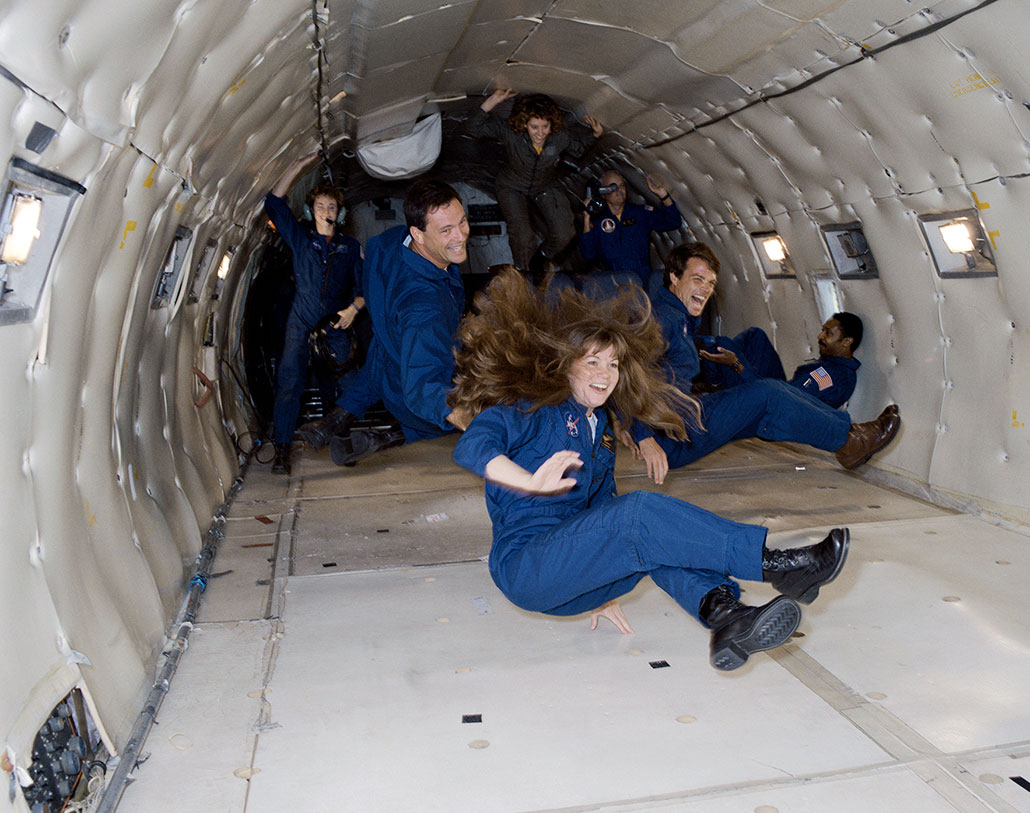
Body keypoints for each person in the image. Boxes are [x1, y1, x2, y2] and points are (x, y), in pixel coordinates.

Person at [448, 269, 851, 671]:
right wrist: (528, 481)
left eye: (614, 364)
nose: (605, 375)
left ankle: (725, 615)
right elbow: (473, 446)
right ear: (566, 365)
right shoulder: (530, 409)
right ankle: (777, 565)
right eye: (592, 362)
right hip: (528, 568)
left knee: (656, 536)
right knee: (639, 517)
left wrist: (596, 581)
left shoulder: (600, 429)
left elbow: (602, 514)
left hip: (574, 576)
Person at [626, 242, 899, 483]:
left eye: (710, 283)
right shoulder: (665, 318)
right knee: (769, 393)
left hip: (679, 417)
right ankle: (849, 441)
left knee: (768, 394)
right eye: (697, 279)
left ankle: (851, 435)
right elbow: (629, 370)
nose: (706, 289)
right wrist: (643, 436)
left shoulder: (678, 316)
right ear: (674, 277)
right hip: (672, 435)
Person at [295, 179, 471, 465]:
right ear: (419, 234)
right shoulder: (425, 307)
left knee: (387, 350)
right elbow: (423, 386)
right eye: (446, 230)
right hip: (410, 394)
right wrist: (470, 417)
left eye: (462, 222)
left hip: (386, 363)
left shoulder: (389, 244)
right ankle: (387, 438)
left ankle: (335, 419)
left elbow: (373, 252)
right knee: (441, 425)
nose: (461, 236)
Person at [264, 153, 364, 475]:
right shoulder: (301, 240)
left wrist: (353, 308)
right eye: (320, 206)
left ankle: (342, 440)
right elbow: (275, 203)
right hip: (302, 322)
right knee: (289, 382)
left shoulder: (350, 248)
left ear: (340, 212)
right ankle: (282, 450)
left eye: (331, 207)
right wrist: (296, 165)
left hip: (336, 323)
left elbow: (365, 290)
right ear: (310, 211)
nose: (326, 212)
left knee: (347, 382)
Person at [466, 88, 603, 273]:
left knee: (565, 234)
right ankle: (523, 271)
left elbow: (579, 149)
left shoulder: (559, 136)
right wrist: (492, 102)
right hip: (511, 186)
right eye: (534, 127)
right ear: (524, 125)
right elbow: (473, 128)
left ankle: (541, 259)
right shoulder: (511, 133)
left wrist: (595, 134)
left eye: (545, 127)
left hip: (544, 185)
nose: (540, 133)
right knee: (523, 236)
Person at [697, 313, 864, 408]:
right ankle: (718, 377)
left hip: (771, 406)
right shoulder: (831, 367)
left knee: (721, 344)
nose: (820, 336)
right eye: (823, 331)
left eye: (828, 333)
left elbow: (784, 398)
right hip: (782, 389)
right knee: (756, 336)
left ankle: (714, 383)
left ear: (847, 342)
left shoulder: (827, 375)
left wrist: (736, 365)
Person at [579, 170, 683, 295]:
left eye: (622, 185)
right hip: (614, 286)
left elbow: (674, 221)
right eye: (613, 187)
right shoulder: (597, 221)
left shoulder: (640, 213)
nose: (619, 190)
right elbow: (588, 253)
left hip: (642, 282)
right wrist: (586, 218)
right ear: (603, 193)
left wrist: (663, 195)